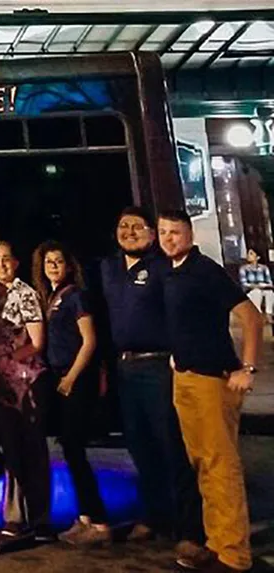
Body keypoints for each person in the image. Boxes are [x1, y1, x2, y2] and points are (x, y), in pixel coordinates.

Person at [99, 207, 205, 564]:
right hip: (124, 368)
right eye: (122, 225)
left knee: (173, 447)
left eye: (137, 227)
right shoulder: (109, 268)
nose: (129, 232)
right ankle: (155, 515)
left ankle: (192, 530)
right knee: (140, 446)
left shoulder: (163, 267)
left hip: (159, 365)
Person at [158, 210, 261, 573]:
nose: (168, 238)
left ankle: (234, 555)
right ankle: (216, 543)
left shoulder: (205, 271)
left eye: (175, 232)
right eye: (163, 232)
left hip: (212, 380)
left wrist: (247, 369)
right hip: (185, 378)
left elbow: (251, 316)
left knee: (221, 467)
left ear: (190, 234)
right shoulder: (173, 273)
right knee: (202, 464)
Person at [32, 240, 110, 546]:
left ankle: (100, 522)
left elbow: (89, 341)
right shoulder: (51, 298)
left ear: (69, 266)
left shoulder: (76, 296)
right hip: (59, 378)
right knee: (69, 448)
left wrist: (71, 378)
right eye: (48, 261)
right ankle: (85, 517)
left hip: (75, 380)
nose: (53, 266)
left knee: (75, 449)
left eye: (58, 261)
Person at [0, 241, 52, 540]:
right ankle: (13, 517)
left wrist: (6, 360)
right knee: (10, 450)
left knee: (32, 450)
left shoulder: (25, 294)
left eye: (6, 259)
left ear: (16, 263)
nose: (1, 265)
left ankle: (40, 520)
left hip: (25, 383)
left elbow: (36, 343)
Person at [239, 248, 273, 322]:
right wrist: (255, 286)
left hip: (263, 288)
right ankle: (258, 314)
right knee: (257, 292)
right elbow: (244, 283)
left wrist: (264, 285)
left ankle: (268, 314)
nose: (248, 256)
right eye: (248, 254)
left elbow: (269, 281)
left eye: (251, 254)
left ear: (257, 257)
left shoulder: (264, 268)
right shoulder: (244, 269)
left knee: (270, 293)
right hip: (250, 289)